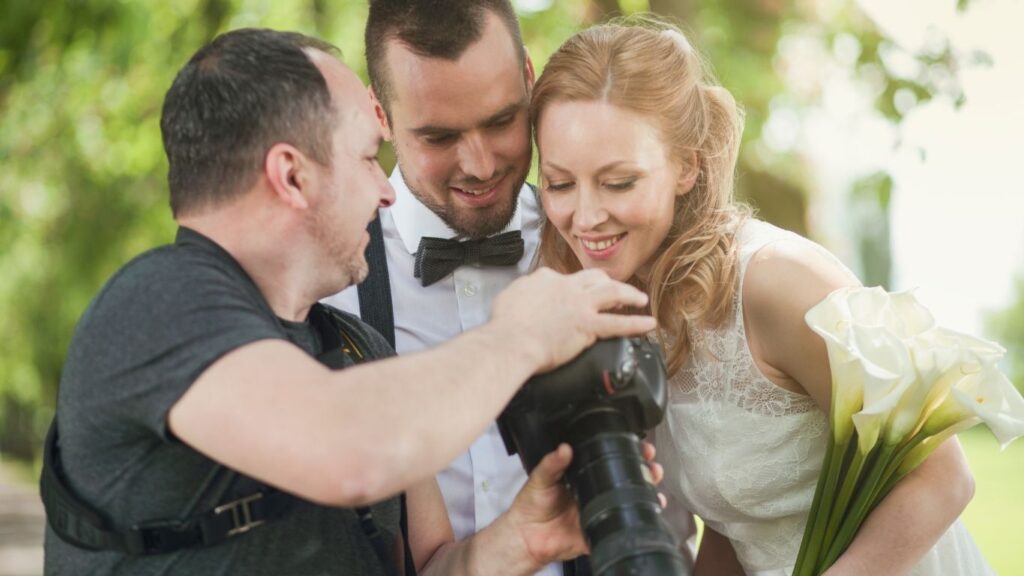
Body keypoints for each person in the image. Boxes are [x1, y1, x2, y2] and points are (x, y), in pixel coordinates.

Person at [42, 28, 661, 576]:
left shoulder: (360, 348)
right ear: (291, 176)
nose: (385, 194)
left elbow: (430, 567)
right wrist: (521, 335)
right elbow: (351, 452)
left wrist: (521, 542)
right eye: (368, 157)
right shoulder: (157, 302)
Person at [530, 17, 994, 576]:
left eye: (619, 182)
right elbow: (738, 524)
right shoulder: (634, 306)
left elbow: (944, 477)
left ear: (686, 166)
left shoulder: (776, 282)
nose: (583, 216)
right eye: (559, 183)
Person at [323, 3, 698, 574]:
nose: (479, 165)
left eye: (500, 121)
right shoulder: (329, 290)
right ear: (380, 114)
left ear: (528, 78)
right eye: (440, 136)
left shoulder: (601, 241)